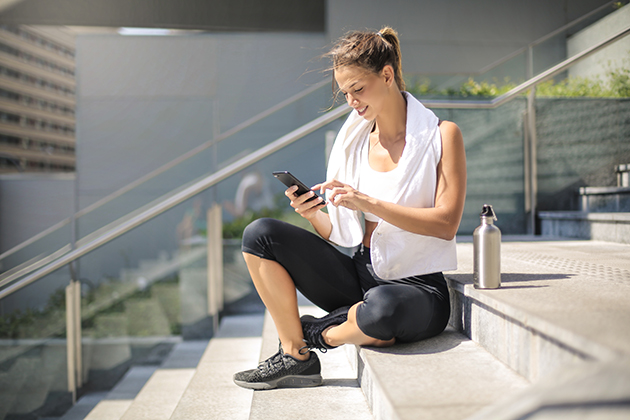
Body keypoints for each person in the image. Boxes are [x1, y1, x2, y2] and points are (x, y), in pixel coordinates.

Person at [233, 27, 466, 390]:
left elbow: (446, 223)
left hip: (417, 288)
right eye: (345, 93)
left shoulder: (441, 136)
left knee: (384, 308)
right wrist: (312, 213)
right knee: (260, 234)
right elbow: (342, 233)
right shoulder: (354, 143)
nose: (353, 102)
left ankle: (314, 335)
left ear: (387, 75)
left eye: (358, 89)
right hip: (361, 274)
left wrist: (368, 202)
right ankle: (297, 357)